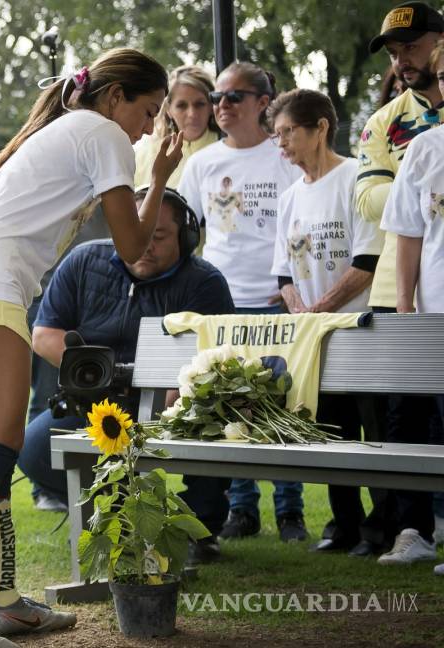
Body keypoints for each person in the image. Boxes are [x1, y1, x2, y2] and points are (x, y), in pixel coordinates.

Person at [0, 48, 183, 646]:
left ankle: (5, 602)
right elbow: (134, 246)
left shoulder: (76, 128)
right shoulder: (103, 133)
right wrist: (159, 176)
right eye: (147, 111)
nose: (147, 128)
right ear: (115, 97)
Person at [17, 188, 235, 561]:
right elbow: (44, 335)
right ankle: (115, 512)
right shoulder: (84, 260)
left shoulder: (205, 282)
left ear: (186, 237)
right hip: (95, 401)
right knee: (31, 448)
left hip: (172, 402)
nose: (144, 245)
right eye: (134, 232)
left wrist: (175, 405)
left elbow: (213, 358)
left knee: (209, 425)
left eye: (159, 236)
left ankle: (201, 528)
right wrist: (93, 374)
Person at [178, 61, 307, 543]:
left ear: (262, 102)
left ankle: (290, 511)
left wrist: (294, 282)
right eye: (217, 98)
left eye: (233, 97)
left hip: (279, 301)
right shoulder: (204, 162)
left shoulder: (284, 155)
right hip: (222, 304)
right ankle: (241, 509)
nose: (221, 106)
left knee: (282, 407)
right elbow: (187, 231)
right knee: (229, 408)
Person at [267, 89, 386, 555]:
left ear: (320, 128)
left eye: (288, 132)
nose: (281, 145)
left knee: (372, 430)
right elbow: (283, 271)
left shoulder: (356, 178)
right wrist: (300, 309)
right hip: (315, 335)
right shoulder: (291, 195)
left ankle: (383, 528)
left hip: (360, 326)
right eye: (277, 136)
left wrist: (322, 308)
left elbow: (367, 261)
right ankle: (345, 525)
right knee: (331, 431)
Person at [356, 1, 444, 565]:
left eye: (410, 48)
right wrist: (418, 189)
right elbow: (368, 199)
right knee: (403, 415)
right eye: (394, 53)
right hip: (401, 288)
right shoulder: (386, 121)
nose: (402, 60)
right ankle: (411, 530)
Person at [381, 39, 444, 578]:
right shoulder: (427, 148)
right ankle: (418, 535)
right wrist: (405, 307)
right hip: (435, 316)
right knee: (426, 431)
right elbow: (408, 235)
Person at [134, 65, 222, 189]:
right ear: (169, 109)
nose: (192, 114)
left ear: (211, 107)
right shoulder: (144, 153)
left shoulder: (228, 146)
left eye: (200, 104)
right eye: (182, 105)